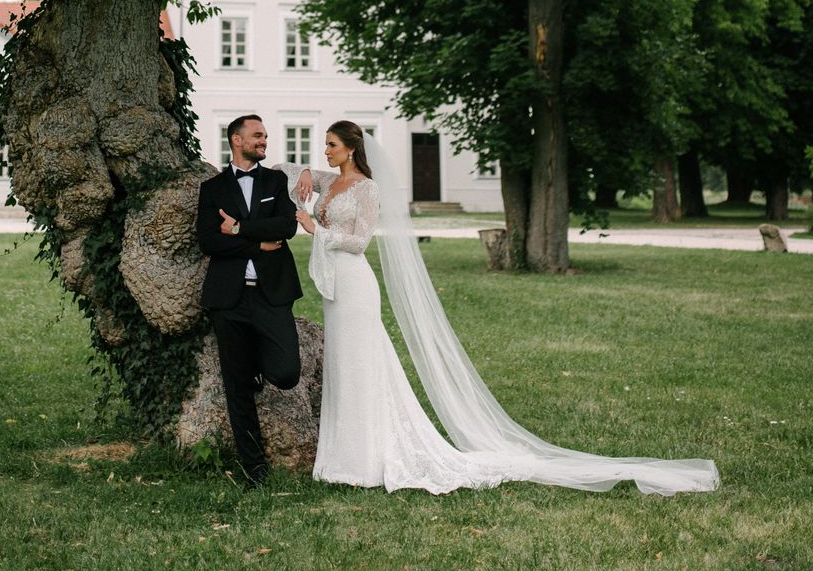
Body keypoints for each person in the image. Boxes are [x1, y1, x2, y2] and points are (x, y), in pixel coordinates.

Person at [293, 120, 720, 496]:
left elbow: (360, 242)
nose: (325, 150)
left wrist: (316, 230)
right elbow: (284, 171)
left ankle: (365, 461)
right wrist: (308, 173)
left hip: (355, 284)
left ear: (351, 148)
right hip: (335, 289)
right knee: (343, 365)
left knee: (362, 365)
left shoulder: (366, 189)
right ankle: (344, 458)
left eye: (331, 145)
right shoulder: (331, 182)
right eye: (325, 145)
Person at [196, 114, 302, 486]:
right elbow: (209, 241)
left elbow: (286, 226)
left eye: (265, 136)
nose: (264, 141)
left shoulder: (275, 181)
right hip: (229, 297)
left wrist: (239, 229)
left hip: (272, 293)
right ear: (237, 140)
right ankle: (254, 467)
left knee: (286, 372)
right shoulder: (212, 188)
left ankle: (259, 358)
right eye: (257, 135)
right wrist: (257, 244)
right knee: (237, 386)